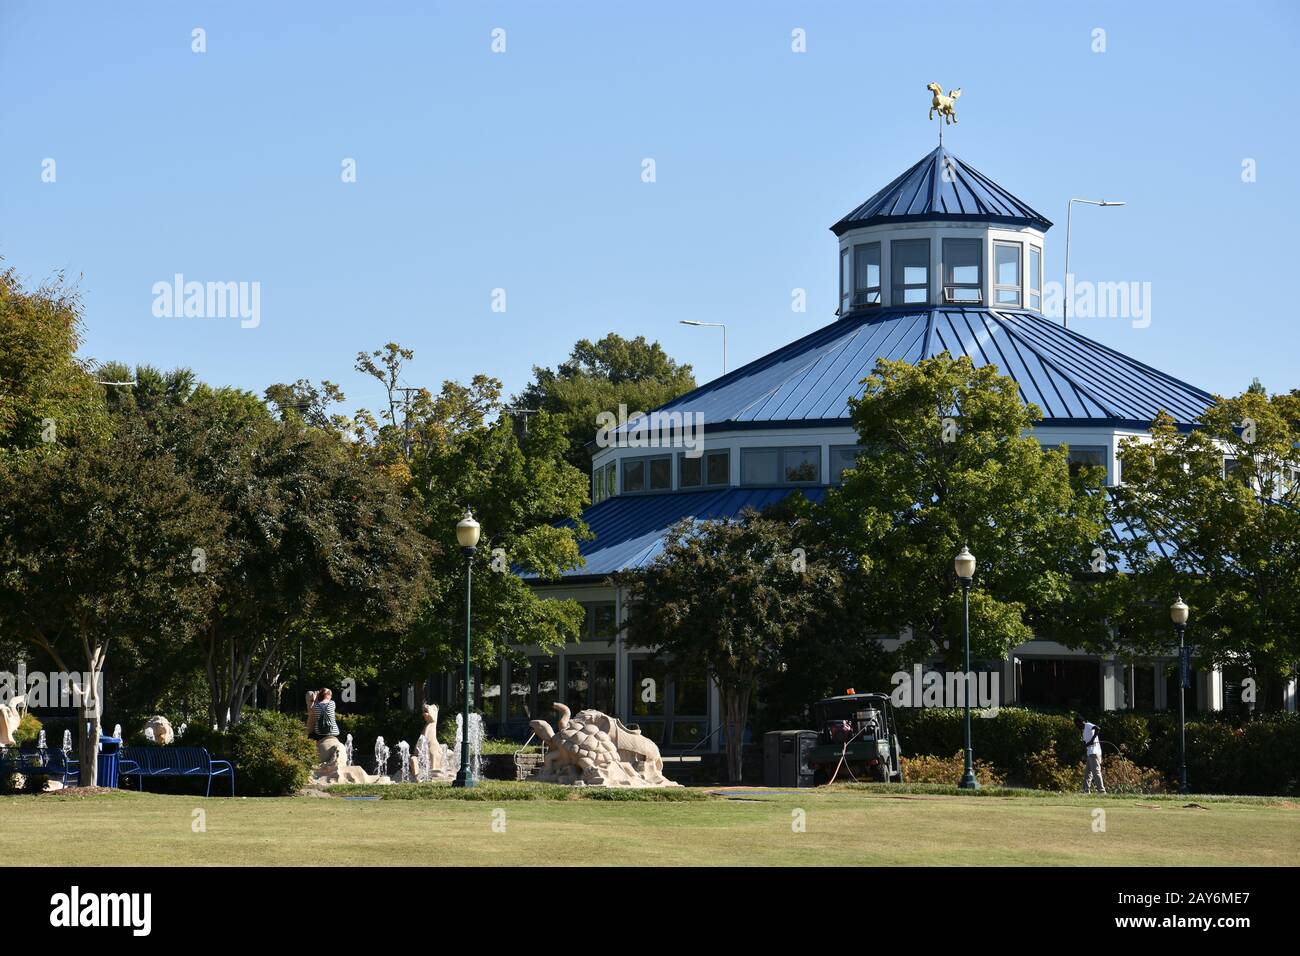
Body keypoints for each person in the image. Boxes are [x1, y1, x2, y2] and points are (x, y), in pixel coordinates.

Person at [1075, 715, 1105, 794]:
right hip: (1090, 753)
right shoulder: (1084, 731)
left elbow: (1097, 728)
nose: (1077, 726)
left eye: (1077, 724)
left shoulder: (1088, 725)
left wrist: (1092, 740)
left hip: (1094, 752)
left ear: (1081, 722)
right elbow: (1085, 743)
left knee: (1096, 772)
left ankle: (1102, 792)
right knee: (1088, 773)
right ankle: (1085, 791)